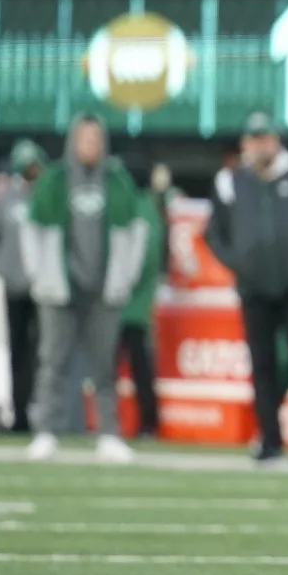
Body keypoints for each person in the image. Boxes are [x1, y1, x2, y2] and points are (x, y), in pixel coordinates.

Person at [206, 111, 288, 464]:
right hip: (254, 286)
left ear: (276, 140)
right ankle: (269, 441)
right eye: (253, 139)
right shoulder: (230, 180)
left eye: (265, 138)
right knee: (262, 364)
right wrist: (239, 262)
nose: (259, 145)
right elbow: (214, 233)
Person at [20, 115, 147, 463]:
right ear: (73, 140)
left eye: (96, 137)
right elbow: (33, 230)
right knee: (53, 362)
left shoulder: (117, 180)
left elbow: (135, 232)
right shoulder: (55, 179)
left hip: (104, 287)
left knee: (104, 365)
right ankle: (46, 432)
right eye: (85, 137)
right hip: (59, 285)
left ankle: (109, 434)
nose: (91, 144)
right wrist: (40, 276)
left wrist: (125, 277)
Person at [0, 139, 45, 432]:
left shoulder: (46, 196)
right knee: (18, 350)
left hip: (43, 287)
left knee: (42, 352)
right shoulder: (6, 198)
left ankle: (41, 411)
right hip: (14, 285)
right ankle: (19, 413)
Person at [117, 165, 169, 441]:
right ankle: (147, 422)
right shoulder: (153, 207)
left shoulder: (136, 208)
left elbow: (141, 258)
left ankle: (135, 422)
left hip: (125, 301)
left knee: (117, 366)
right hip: (141, 301)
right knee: (141, 367)